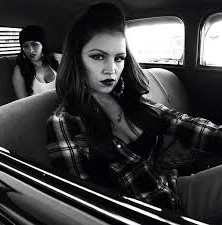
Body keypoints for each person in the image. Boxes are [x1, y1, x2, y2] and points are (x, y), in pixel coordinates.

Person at [46, 2, 222, 223]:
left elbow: (182, 123)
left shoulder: (130, 100)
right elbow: (83, 204)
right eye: (98, 56)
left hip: (175, 191)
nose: (111, 69)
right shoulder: (64, 121)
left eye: (119, 58)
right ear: (77, 60)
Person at [12, 25, 60, 99]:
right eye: (25, 46)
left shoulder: (56, 60)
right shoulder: (20, 70)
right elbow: (23, 104)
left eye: (34, 44)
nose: (31, 50)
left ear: (42, 45)